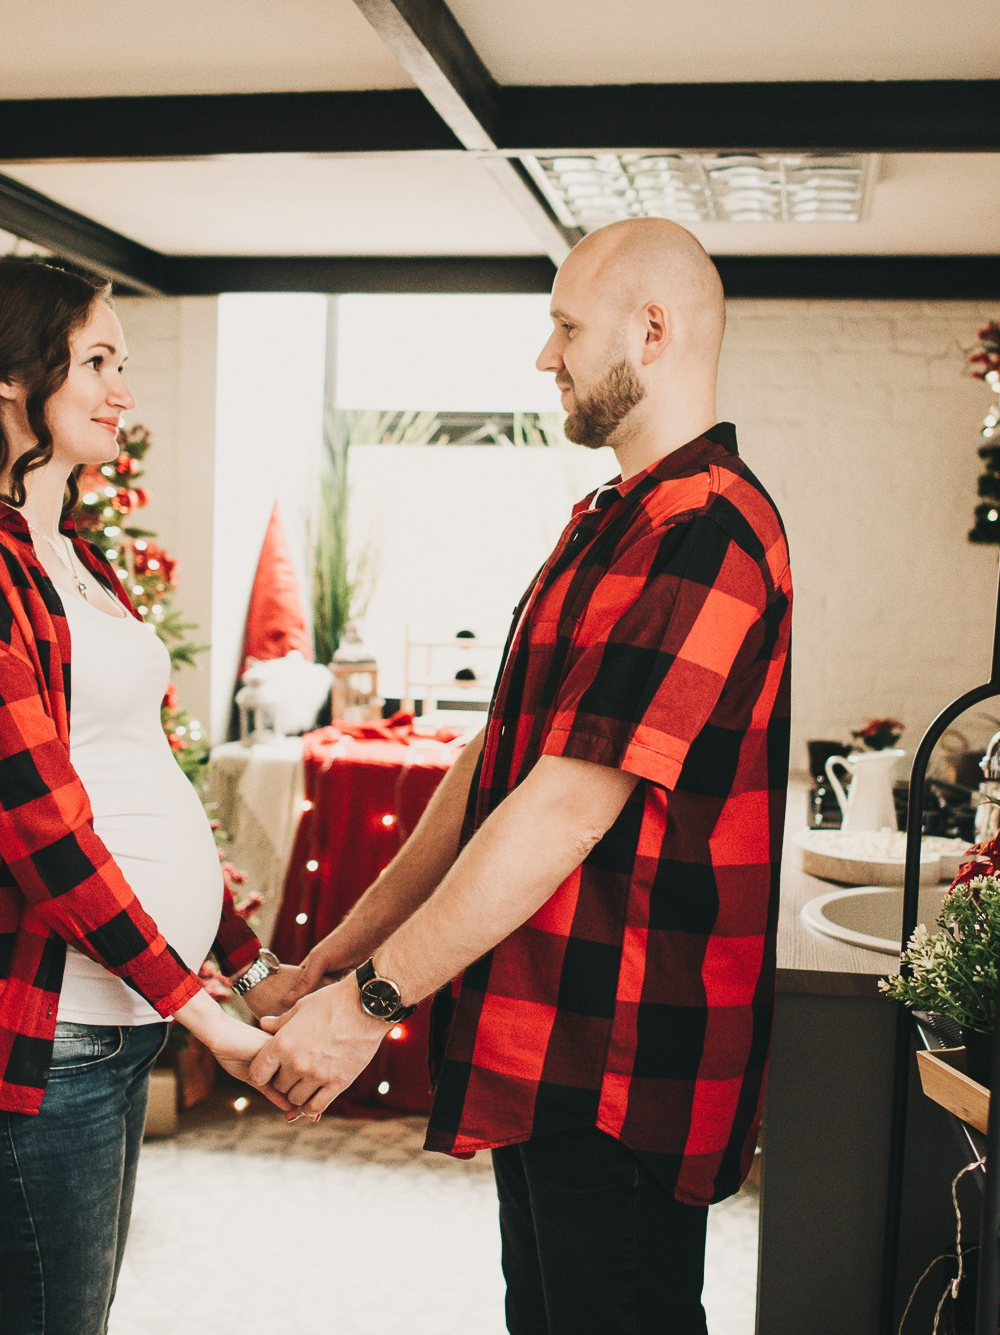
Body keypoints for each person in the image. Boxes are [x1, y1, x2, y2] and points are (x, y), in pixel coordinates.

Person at [258, 218, 793, 1334]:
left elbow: (562, 813)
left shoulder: (708, 530)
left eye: (563, 326)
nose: (542, 356)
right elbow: (493, 773)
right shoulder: (607, 522)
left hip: (626, 1050)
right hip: (549, 1035)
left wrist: (368, 1010)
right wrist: (330, 961)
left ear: (648, 332)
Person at [0, 257, 298, 1335]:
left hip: (116, 1019)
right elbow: (39, 827)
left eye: (122, 364)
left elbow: (143, 774)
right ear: (9, 373)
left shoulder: (75, 556)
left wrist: (244, 961)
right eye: (95, 361)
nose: (121, 391)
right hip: (35, 1035)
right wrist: (208, 1018)